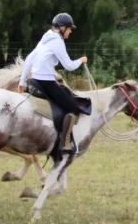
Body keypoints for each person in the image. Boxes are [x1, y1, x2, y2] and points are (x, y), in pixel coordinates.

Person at [19, 13, 90, 156]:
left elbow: (29, 59)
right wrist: (81, 60)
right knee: (73, 107)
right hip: (46, 82)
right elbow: (69, 66)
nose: (70, 32)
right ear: (63, 28)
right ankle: (65, 143)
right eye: (70, 29)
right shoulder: (57, 41)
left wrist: (22, 82)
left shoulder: (45, 38)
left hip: (34, 81)